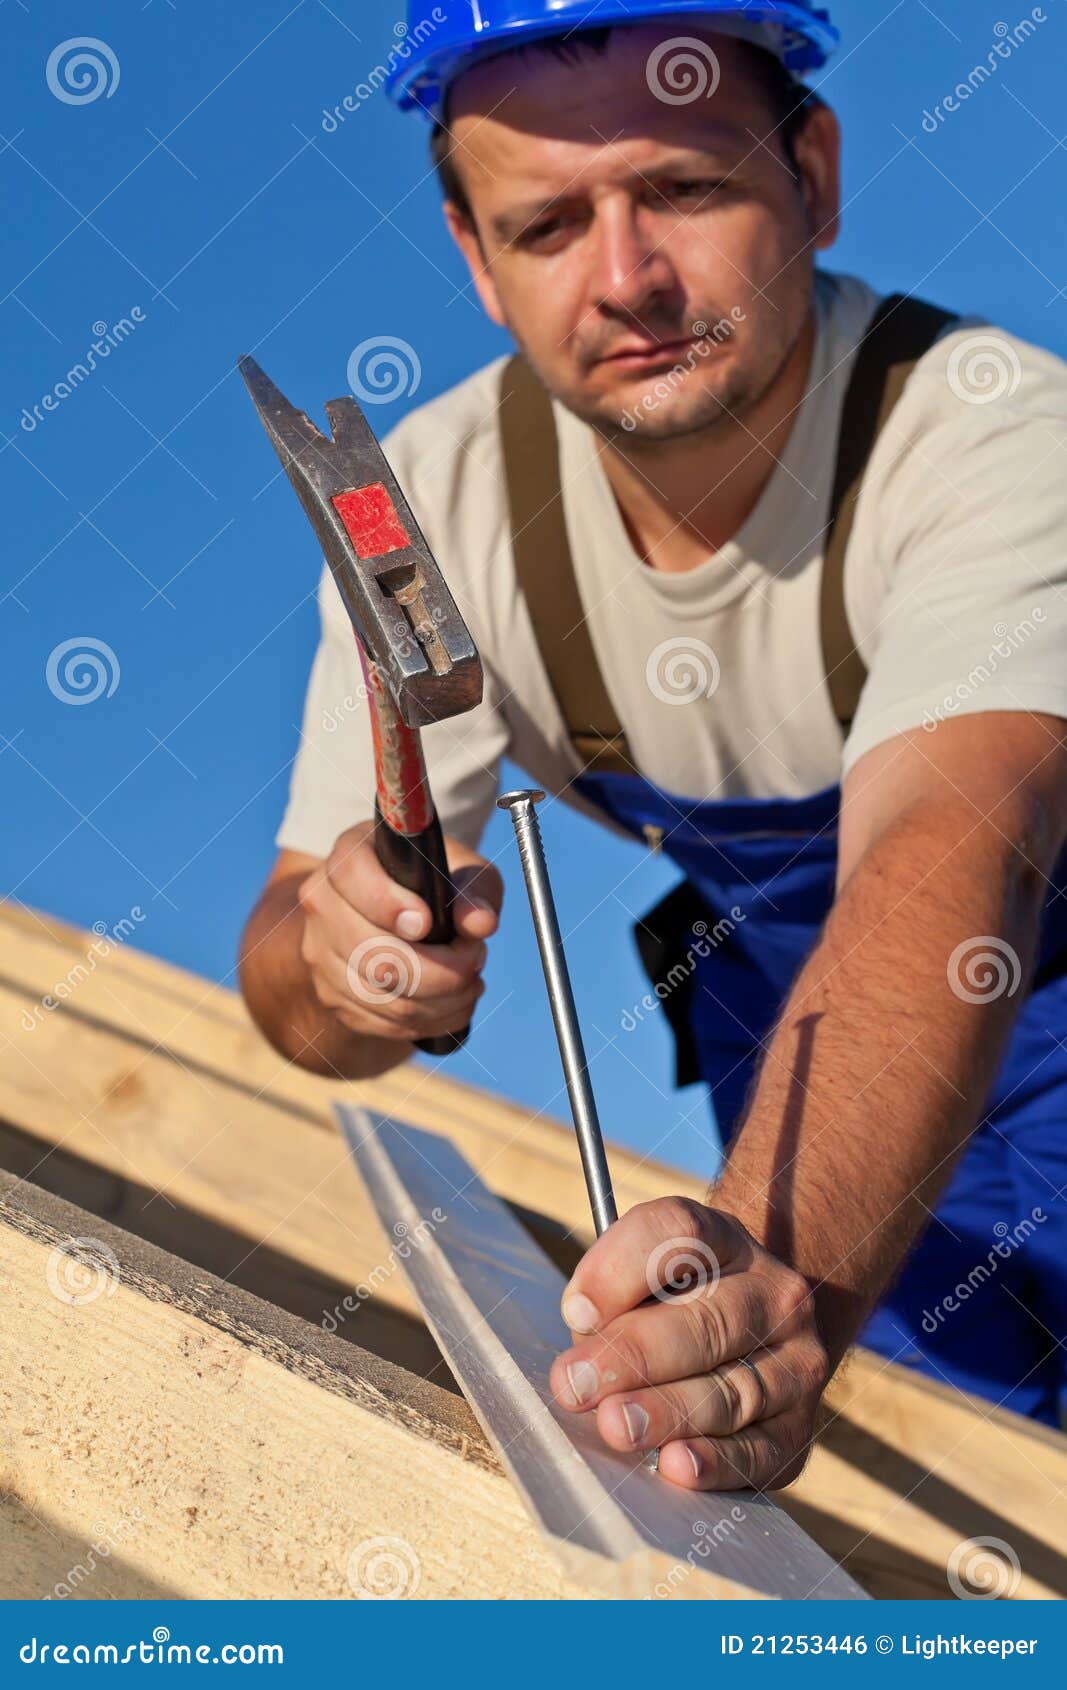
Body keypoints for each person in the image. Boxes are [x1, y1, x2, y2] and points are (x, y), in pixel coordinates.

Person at [240, 2, 1067, 1488]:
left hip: (990, 965)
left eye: (684, 189)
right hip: (796, 1022)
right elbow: (293, 964)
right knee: (948, 1482)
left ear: (812, 175)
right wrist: (349, 963)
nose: (626, 280)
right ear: (475, 262)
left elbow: (956, 853)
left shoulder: (993, 439)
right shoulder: (435, 507)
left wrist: (768, 1268)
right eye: (548, 224)